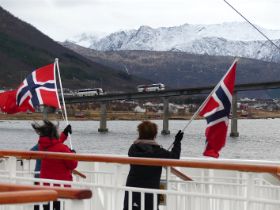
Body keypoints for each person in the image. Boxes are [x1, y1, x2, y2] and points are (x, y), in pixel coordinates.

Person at [123, 121, 184, 210]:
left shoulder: (133, 148)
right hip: (150, 190)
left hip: (132, 189)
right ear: (155, 135)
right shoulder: (158, 152)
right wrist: (177, 141)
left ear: (139, 133)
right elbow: (174, 158)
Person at [32, 120, 77, 210]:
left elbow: (53, 144)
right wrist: (72, 155)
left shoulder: (42, 146)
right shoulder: (63, 149)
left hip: (45, 186)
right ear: (53, 134)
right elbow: (72, 165)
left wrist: (64, 134)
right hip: (60, 188)